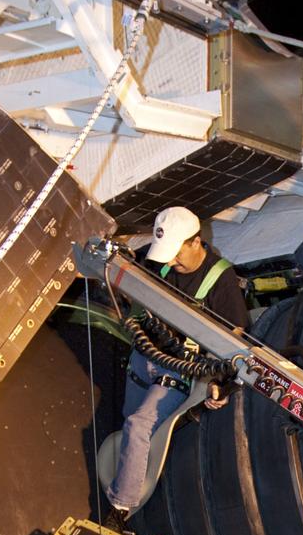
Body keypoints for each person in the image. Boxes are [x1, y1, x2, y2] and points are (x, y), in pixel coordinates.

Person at [107, 205, 249, 516]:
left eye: (176, 254)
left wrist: (220, 383)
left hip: (177, 367)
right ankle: (132, 460)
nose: (170, 261)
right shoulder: (159, 258)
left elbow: (234, 340)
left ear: (195, 242)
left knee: (139, 422)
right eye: (165, 254)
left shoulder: (221, 279)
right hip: (143, 356)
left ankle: (122, 503)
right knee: (129, 417)